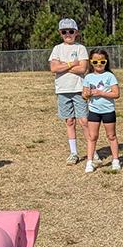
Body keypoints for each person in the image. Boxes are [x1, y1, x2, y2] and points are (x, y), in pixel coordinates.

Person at [48, 18, 88, 165]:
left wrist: (63, 66)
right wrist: (72, 64)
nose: (68, 34)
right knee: (69, 121)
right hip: (63, 90)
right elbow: (53, 68)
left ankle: (92, 151)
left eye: (71, 31)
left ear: (76, 32)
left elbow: (83, 68)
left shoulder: (80, 48)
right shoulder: (57, 49)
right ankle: (74, 153)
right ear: (60, 33)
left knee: (84, 121)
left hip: (78, 89)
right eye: (64, 32)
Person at [81, 49, 121, 173]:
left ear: (106, 62)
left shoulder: (110, 76)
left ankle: (115, 160)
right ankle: (89, 162)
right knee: (92, 137)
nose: (99, 64)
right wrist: (87, 94)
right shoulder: (88, 77)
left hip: (108, 111)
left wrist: (101, 93)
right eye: (95, 61)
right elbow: (84, 95)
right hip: (94, 111)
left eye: (102, 61)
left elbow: (116, 94)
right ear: (91, 62)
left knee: (111, 136)